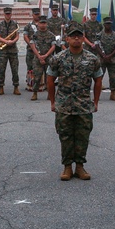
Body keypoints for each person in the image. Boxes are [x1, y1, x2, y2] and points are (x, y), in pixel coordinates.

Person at [47, 25, 103, 181]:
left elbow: (98, 80)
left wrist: (96, 102)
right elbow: (50, 80)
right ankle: (67, 167)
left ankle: (79, 166)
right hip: (64, 104)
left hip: (84, 104)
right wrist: (53, 102)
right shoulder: (58, 58)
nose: (76, 38)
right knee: (65, 136)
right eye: (73, 36)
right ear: (67, 39)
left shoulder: (92, 59)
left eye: (79, 36)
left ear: (83, 38)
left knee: (82, 136)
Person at [29, 15, 57, 101]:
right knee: (37, 77)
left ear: (47, 24)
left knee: (50, 77)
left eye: (44, 23)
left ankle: (50, 94)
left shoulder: (51, 35)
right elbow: (33, 46)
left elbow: (53, 46)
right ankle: (35, 93)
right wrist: (39, 57)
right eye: (41, 23)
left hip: (48, 58)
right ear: (38, 24)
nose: (43, 25)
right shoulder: (35, 35)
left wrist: (46, 55)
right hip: (38, 59)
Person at [0, 6, 21, 95]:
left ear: (11, 14)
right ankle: (1, 87)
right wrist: (6, 41)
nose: (8, 15)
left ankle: (16, 87)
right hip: (3, 51)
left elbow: (17, 36)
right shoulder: (0, 25)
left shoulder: (15, 24)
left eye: (9, 13)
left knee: (15, 70)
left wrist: (13, 41)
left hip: (13, 50)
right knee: (2, 69)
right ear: (4, 14)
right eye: (6, 14)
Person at [98, 17, 115, 101]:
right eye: (106, 24)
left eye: (109, 24)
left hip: (113, 59)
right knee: (99, 77)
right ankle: (97, 95)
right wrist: (103, 56)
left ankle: (112, 94)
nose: (108, 25)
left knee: (114, 77)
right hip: (102, 59)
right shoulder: (99, 35)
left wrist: (110, 56)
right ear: (104, 25)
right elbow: (96, 46)